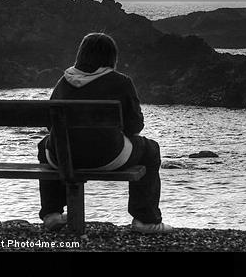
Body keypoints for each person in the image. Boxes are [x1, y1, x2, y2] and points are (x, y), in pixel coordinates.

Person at [37, 32, 173, 234]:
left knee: (44, 145)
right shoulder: (121, 82)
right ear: (111, 56)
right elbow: (135, 126)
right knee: (151, 149)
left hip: (62, 158)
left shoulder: (63, 82)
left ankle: (52, 214)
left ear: (81, 54)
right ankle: (145, 219)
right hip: (107, 157)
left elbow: (51, 126)